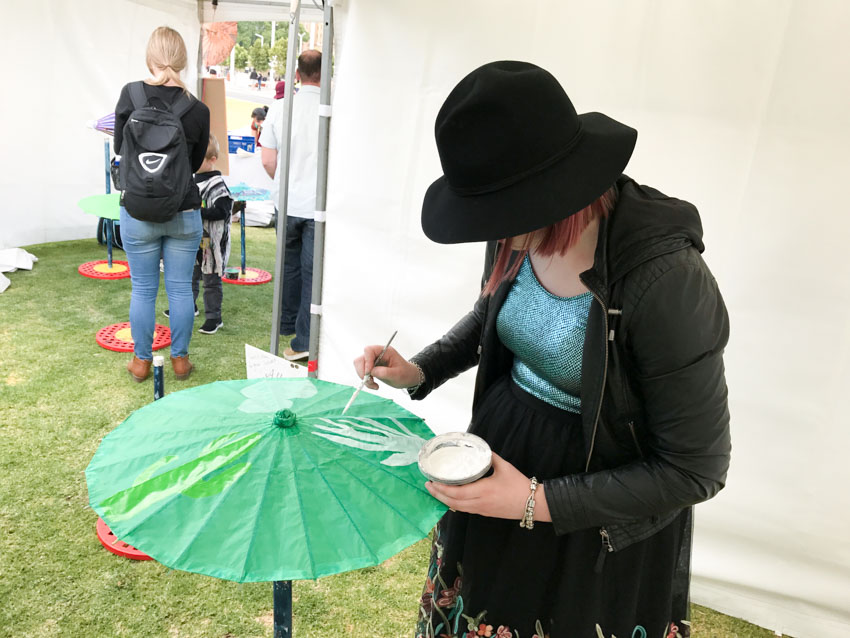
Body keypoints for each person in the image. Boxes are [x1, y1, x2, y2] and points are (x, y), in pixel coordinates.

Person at [354, 61, 731, 638]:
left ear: (558, 187)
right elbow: (495, 315)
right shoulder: (518, 229)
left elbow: (694, 468)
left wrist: (535, 500)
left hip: (593, 512)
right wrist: (421, 369)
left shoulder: (666, 280)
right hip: (498, 467)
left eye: (501, 212)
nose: (495, 232)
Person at [115, 26, 210, 382]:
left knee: (142, 288)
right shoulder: (197, 108)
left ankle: (141, 361)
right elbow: (197, 161)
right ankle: (181, 360)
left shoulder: (130, 94)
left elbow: (119, 150)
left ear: (149, 57)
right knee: (180, 288)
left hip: (138, 210)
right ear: (183, 60)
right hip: (183, 209)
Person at [260, 49, 322, 361]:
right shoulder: (331, 109)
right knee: (311, 272)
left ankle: (287, 324)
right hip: (317, 206)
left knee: (289, 266)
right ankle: (303, 341)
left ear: (297, 74)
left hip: (287, 200)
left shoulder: (280, 108)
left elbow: (268, 160)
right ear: (324, 75)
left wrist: (282, 182)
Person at [192, 133, 233, 335]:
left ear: (212, 160)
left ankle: (214, 318)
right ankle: (189, 307)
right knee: (189, 275)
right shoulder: (192, 180)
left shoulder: (217, 184)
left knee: (210, 280)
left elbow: (223, 211)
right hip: (193, 239)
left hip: (211, 243)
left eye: (198, 157)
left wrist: (197, 212)